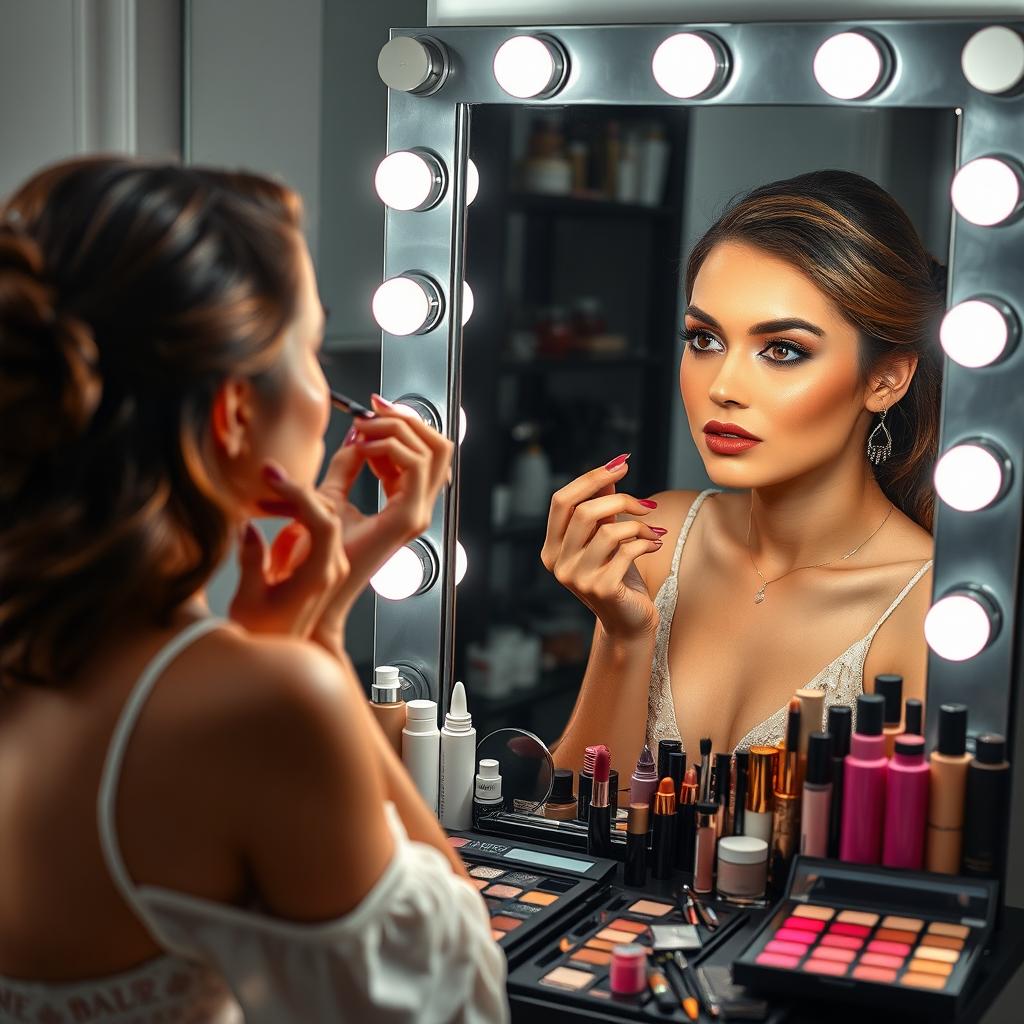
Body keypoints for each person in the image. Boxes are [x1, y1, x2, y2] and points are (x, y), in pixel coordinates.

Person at [0, 157, 507, 1023]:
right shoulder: (261, 706)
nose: (330, 394)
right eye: (313, 347)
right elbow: (461, 999)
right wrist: (313, 647)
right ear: (236, 414)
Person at [544, 170, 942, 775]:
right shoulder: (662, 537)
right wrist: (623, 639)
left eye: (782, 349)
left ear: (885, 379)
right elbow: (568, 818)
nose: (723, 387)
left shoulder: (926, 609)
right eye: (703, 339)